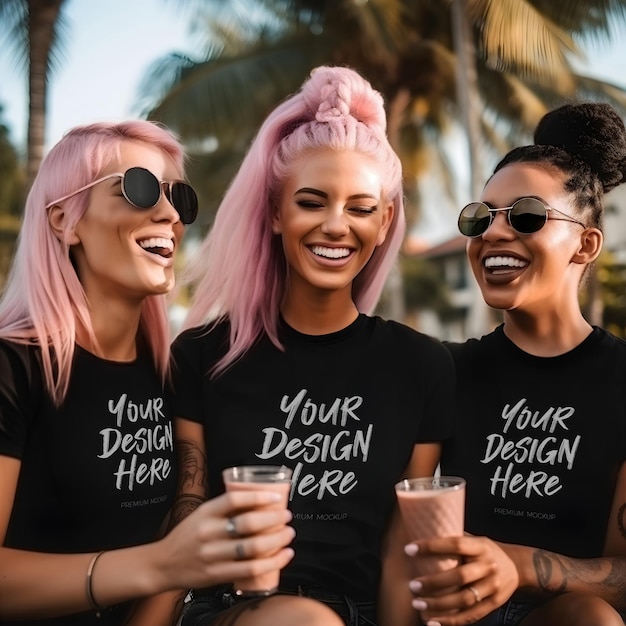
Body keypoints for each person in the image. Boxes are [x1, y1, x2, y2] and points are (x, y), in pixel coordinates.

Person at [165, 65, 456, 626]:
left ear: (385, 219)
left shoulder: (421, 365)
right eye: (312, 202)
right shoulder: (202, 354)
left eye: (361, 208)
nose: (335, 226)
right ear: (276, 213)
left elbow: (402, 547)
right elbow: (186, 513)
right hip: (230, 610)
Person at [0, 121, 295, 626]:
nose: (169, 215)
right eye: (138, 189)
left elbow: (181, 529)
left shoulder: (175, 372)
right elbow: (169, 559)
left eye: (179, 198)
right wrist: (158, 565)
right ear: (64, 221)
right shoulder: (13, 367)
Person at [404, 102, 626, 626]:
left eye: (526, 215)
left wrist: (518, 566)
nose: (493, 235)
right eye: (481, 217)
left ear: (585, 244)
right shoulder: (445, 371)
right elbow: (404, 536)